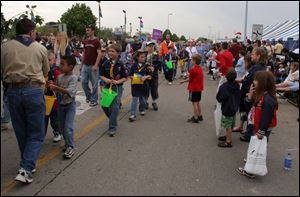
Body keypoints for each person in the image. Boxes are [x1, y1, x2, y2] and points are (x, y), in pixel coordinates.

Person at [1, 18, 49, 183]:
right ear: (31, 31)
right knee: (36, 133)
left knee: (21, 130)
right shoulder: (40, 48)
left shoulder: (4, 47)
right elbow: (45, 70)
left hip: (12, 91)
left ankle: (27, 163)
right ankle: (26, 169)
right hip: (33, 90)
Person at [238, 71, 278, 178]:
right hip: (257, 124)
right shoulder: (261, 94)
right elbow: (248, 108)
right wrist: (250, 96)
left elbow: (266, 117)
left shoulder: (268, 99)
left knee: (258, 145)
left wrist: (261, 131)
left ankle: (251, 169)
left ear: (263, 83)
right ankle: (253, 158)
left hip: (262, 127)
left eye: (256, 80)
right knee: (256, 144)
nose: (254, 82)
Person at [49, 56, 77, 159]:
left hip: (69, 105)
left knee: (68, 127)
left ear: (70, 67)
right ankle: (67, 143)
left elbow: (70, 92)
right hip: (61, 105)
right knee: (61, 127)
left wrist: (56, 88)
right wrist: (52, 85)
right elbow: (55, 89)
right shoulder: (60, 77)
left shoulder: (73, 78)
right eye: (60, 63)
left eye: (62, 64)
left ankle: (71, 146)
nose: (60, 66)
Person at [100, 44, 128, 137]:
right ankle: (113, 119)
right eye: (109, 51)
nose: (110, 53)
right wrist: (106, 80)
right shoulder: (105, 63)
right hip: (108, 87)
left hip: (117, 87)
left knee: (114, 107)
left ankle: (112, 127)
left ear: (118, 53)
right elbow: (101, 75)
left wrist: (117, 81)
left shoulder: (121, 64)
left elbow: (125, 77)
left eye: (113, 51)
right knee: (104, 105)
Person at [240, 47, 267, 142]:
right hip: (253, 93)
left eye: (253, 54)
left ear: (258, 56)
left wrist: (248, 92)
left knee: (251, 114)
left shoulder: (257, 67)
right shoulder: (258, 66)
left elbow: (251, 81)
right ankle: (249, 131)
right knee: (251, 114)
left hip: (252, 94)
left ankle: (249, 134)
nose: (251, 55)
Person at [216, 68, 241, 148]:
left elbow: (220, 97)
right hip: (234, 107)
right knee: (231, 123)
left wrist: (219, 99)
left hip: (227, 107)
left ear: (226, 76)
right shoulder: (237, 85)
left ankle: (228, 141)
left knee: (228, 125)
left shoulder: (224, 87)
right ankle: (227, 136)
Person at [129, 50, 153, 121]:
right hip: (135, 86)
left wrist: (145, 77)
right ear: (137, 57)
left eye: (144, 57)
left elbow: (150, 76)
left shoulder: (146, 66)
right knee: (134, 100)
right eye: (142, 57)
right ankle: (133, 114)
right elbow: (129, 75)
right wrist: (136, 77)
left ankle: (142, 109)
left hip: (144, 86)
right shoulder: (133, 66)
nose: (143, 58)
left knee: (143, 100)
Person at [81, 24, 102, 107]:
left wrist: (96, 65)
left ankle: (94, 100)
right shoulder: (85, 41)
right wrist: (81, 65)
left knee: (94, 84)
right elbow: (84, 53)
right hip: (85, 65)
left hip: (93, 66)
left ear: (93, 31)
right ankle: (89, 96)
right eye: (86, 30)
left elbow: (99, 54)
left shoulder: (96, 41)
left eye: (88, 30)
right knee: (83, 82)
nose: (87, 32)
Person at [180, 54, 204, 123]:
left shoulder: (193, 69)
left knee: (194, 103)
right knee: (198, 102)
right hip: (199, 88)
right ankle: (199, 115)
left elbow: (190, 79)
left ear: (194, 61)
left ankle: (195, 117)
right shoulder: (199, 68)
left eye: (192, 60)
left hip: (194, 88)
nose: (191, 61)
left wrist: (183, 81)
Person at [233, 54, 254, 133]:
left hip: (247, 92)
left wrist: (237, 81)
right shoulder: (249, 70)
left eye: (245, 61)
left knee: (247, 111)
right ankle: (241, 126)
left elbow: (245, 80)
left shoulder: (251, 70)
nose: (244, 63)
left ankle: (248, 129)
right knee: (244, 111)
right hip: (244, 91)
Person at [45, 51, 62, 142]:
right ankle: (40, 135)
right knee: (43, 120)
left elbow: (61, 86)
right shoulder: (41, 72)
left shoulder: (56, 72)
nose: (47, 62)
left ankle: (57, 132)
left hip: (54, 101)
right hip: (44, 100)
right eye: (45, 60)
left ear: (54, 60)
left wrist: (54, 85)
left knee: (55, 120)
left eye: (49, 60)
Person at [145, 41, 162, 110]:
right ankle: (145, 102)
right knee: (146, 89)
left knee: (154, 88)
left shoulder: (156, 54)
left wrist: (155, 67)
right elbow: (140, 63)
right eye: (149, 46)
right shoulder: (144, 54)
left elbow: (159, 63)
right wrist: (147, 66)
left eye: (152, 46)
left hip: (154, 75)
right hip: (146, 74)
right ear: (146, 47)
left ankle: (154, 102)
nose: (151, 48)